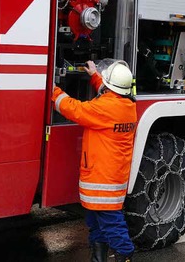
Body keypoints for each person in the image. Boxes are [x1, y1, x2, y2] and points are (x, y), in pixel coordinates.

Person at [52, 60, 137, 262]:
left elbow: (74, 109)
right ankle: (98, 259)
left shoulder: (105, 108)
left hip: (102, 179)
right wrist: (95, 76)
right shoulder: (127, 105)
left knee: (110, 225)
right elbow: (110, 92)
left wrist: (53, 90)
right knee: (97, 222)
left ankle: (125, 256)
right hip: (111, 178)